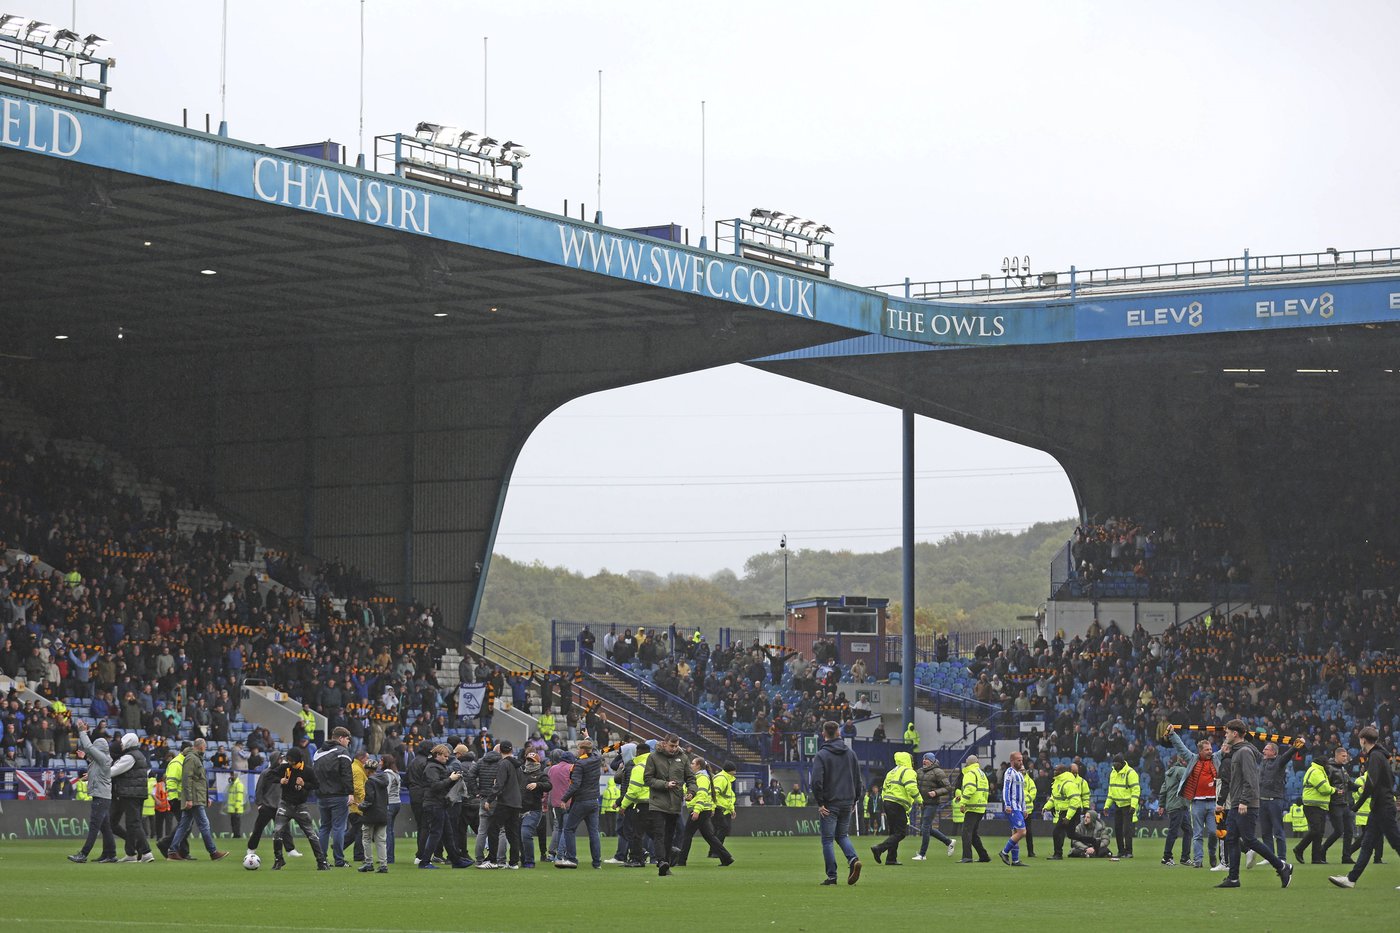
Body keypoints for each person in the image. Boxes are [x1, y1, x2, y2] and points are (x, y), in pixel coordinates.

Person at [1214, 719, 1292, 889]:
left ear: (1235, 734)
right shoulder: (1240, 751)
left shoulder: (1243, 752)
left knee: (1249, 840)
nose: (1225, 734)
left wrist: (1244, 800)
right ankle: (1233, 878)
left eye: (1227, 732)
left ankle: (1282, 866)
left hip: (1245, 803)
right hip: (1237, 802)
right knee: (1232, 838)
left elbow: (1250, 778)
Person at [1329, 725, 1400, 889]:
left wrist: (1356, 806)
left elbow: (1371, 783)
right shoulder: (1380, 755)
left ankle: (1351, 879)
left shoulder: (1375, 756)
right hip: (1380, 807)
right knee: (1367, 844)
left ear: (1363, 740)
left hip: (1383, 807)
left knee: (1396, 842)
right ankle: (1351, 879)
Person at [810, 719, 862, 886]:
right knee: (842, 835)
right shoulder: (850, 753)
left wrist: (820, 802)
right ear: (839, 733)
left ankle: (832, 876)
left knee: (827, 840)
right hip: (847, 801)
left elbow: (817, 781)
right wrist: (855, 799)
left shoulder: (821, 755)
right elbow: (858, 779)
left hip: (830, 803)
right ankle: (853, 859)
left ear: (824, 734)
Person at [167, 737, 230, 862]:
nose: (206, 749)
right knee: (204, 824)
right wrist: (189, 799)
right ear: (201, 746)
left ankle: (172, 851)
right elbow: (187, 779)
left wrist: (206, 798)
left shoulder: (194, 758)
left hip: (197, 797)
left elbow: (199, 781)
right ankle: (213, 852)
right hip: (194, 798)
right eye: (205, 746)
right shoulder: (192, 758)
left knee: (184, 825)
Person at [1169, 726, 1222, 868]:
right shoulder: (1192, 759)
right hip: (1197, 803)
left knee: (1213, 832)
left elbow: (1225, 747)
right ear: (1200, 751)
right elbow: (1181, 748)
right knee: (1197, 834)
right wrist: (1172, 734)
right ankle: (1198, 860)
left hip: (1213, 803)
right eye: (1207, 750)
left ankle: (1211, 853)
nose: (1210, 751)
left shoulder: (1216, 758)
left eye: (1210, 749)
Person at [270, 746, 329, 871]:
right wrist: (280, 780)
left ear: (297, 760)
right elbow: (269, 775)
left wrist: (304, 784)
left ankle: (322, 862)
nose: (289, 762)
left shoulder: (308, 771)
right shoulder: (285, 768)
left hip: (300, 806)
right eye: (288, 759)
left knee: (311, 834)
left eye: (291, 760)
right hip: (285, 804)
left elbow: (316, 785)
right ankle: (278, 860)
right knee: (277, 832)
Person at [643, 734, 694, 876]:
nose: (674, 748)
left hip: (675, 802)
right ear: (664, 743)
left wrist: (691, 791)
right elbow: (647, 779)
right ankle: (661, 861)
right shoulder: (653, 757)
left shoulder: (683, 758)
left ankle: (665, 864)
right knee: (659, 833)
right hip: (658, 801)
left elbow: (690, 778)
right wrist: (665, 784)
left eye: (676, 745)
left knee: (669, 835)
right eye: (672, 745)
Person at [68, 719, 116, 863]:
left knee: (95, 826)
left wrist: (82, 731)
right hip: (103, 796)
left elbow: (88, 747)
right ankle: (110, 854)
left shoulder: (103, 758)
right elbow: (95, 763)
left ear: (98, 748)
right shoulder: (102, 760)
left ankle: (83, 854)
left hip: (101, 797)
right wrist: (87, 758)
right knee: (105, 827)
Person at [676, 756, 734, 867]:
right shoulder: (701, 777)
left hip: (700, 810)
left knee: (687, 834)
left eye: (693, 763)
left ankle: (681, 860)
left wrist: (697, 810)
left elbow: (702, 795)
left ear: (698, 766)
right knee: (709, 836)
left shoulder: (701, 778)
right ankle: (726, 858)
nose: (691, 765)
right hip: (704, 810)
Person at [418, 744, 468, 869]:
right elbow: (435, 786)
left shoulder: (437, 766)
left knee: (448, 834)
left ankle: (456, 861)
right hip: (434, 804)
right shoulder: (431, 768)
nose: (447, 758)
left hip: (439, 803)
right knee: (436, 833)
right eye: (445, 756)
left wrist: (452, 777)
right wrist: (450, 779)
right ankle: (424, 862)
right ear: (438, 755)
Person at [312, 726, 355, 867]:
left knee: (324, 828)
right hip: (338, 795)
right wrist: (350, 792)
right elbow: (347, 774)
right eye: (348, 739)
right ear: (341, 738)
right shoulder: (342, 752)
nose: (348, 742)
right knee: (338, 828)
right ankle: (339, 860)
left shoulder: (318, 752)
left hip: (321, 796)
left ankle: (322, 859)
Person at [109, 734, 155, 862]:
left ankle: (146, 852)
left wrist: (96, 774)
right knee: (132, 824)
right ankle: (130, 853)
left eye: (124, 742)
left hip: (130, 793)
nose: (122, 745)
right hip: (136, 793)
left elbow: (113, 771)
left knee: (134, 823)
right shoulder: (139, 755)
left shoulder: (129, 757)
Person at [559, 738, 603, 870]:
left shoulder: (580, 764)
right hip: (594, 801)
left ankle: (571, 859)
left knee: (569, 829)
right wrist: (588, 738)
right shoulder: (597, 759)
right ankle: (597, 863)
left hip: (582, 801)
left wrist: (564, 799)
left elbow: (575, 785)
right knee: (594, 832)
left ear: (583, 750)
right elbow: (595, 750)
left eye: (579, 749)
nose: (577, 751)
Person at [245, 750, 298, 861]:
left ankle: (290, 850)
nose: (282, 761)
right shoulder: (266, 773)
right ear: (275, 760)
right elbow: (259, 789)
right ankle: (251, 848)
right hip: (267, 806)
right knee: (258, 829)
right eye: (280, 759)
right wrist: (259, 804)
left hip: (280, 806)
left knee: (285, 829)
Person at [481, 739, 524, 869]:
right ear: (511, 749)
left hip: (505, 802)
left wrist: (489, 799)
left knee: (493, 829)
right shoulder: (518, 765)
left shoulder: (503, 764)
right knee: (513, 833)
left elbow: (499, 784)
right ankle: (513, 862)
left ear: (500, 750)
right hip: (516, 802)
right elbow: (521, 783)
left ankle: (493, 861)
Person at [870, 751, 917, 865]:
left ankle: (891, 858)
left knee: (893, 832)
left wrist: (885, 801)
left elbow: (884, 788)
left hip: (888, 802)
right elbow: (911, 788)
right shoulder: (908, 771)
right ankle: (879, 848)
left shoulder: (891, 772)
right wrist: (920, 800)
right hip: (898, 803)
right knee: (901, 833)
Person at [1252, 740, 1295, 866]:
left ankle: (1281, 857)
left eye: (1266, 749)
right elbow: (1253, 750)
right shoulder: (1263, 760)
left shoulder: (1280, 761)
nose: (1263, 751)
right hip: (1262, 800)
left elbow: (1289, 753)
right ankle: (1269, 856)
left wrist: (1297, 745)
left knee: (1278, 831)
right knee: (1265, 831)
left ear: (1274, 752)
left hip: (1275, 800)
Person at [1295, 746, 1335, 865]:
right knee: (1316, 830)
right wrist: (1334, 790)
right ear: (1323, 764)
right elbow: (1324, 789)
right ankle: (1299, 848)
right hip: (1312, 805)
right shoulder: (1316, 772)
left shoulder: (1318, 771)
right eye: (1327, 764)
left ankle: (1316, 858)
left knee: (1319, 832)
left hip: (1319, 805)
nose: (1328, 766)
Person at [913, 752, 956, 860]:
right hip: (923, 803)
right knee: (926, 829)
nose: (924, 761)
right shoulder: (919, 771)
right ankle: (949, 842)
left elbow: (948, 787)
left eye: (926, 759)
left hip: (932, 803)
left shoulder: (938, 772)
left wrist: (936, 793)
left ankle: (922, 854)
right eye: (923, 759)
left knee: (925, 827)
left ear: (931, 761)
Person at [1320, 746, 1356, 864]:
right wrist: (1334, 791)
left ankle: (1346, 857)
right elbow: (1326, 786)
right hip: (1335, 804)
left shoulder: (1343, 769)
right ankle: (1323, 849)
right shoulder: (1329, 768)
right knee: (1339, 831)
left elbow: (1350, 785)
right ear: (1337, 756)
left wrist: (1362, 787)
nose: (1345, 758)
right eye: (1343, 756)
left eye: (1346, 756)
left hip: (1345, 803)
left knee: (1350, 831)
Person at [518, 750, 552, 868]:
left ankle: (530, 861)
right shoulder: (520, 772)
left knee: (525, 833)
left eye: (532, 761)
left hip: (533, 810)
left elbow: (549, 786)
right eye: (528, 760)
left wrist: (537, 785)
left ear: (537, 763)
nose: (529, 762)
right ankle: (523, 859)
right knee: (518, 836)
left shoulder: (541, 774)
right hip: (518, 809)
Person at [358, 756, 390, 873]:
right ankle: (383, 865)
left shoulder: (369, 782)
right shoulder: (384, 781)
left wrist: (361, 806)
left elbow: (369, 799)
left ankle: (369, 863)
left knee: (366, 838)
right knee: (381, 840)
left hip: (371, 815)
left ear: (367, 770)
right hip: (382, 813)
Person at [956, 755, 990, 863]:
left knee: (966, 832)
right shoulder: (982, 774)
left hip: (972, 806)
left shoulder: (970, 773)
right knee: (973, 833)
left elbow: (970, 788)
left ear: (968, 763)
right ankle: (984, 856)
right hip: (981, 806)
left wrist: (963, 803)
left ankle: (967, 857)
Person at [1105, 753, 1140, 859]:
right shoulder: (1113, 773)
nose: (1114, 765)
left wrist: (1133, 805)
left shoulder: (1130, 773)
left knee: (1127, 830)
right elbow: (1111, 791)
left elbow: (1136, 790)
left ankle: (1129, 851)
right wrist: (1107, 806)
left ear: (1121, 763)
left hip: (1128, 806)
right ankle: (1121, 851)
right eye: (1113, 763)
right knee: (1117, 829)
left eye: (1116, 763)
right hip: (1117, 805)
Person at [999, 750, 1028, 867]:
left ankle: (1015, 860)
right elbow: (1006, 789)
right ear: (1012, 761)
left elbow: (1022, 793)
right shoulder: (1009, 772)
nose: (1021, 762)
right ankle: (1004, 852)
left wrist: (1024, 808)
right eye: (1018, 760)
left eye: (1022, 760)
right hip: (1013, 807)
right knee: (1022, 832)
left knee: (1015, 833)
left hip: (1019, 807)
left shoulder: (1020, 774)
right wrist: (1008, 805)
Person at [1160, 753, 1189, 865]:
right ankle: (1167, 857)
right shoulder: (1182, 771)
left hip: (1172, 806)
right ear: (1182, 761)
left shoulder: (1169, 773)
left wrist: (1161, 805)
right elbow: (1190, 782)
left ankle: (1184, 858)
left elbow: (1163, 790)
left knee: (1186, 830)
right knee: (1176, 832)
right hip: (1179, 805)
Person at [707, 761, 737, 858]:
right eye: (734, 771)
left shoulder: (725, 778)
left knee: (718, 829)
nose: (735, 773)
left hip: (719, 807)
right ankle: (716, 852)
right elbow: (714, 793)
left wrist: (731, 809)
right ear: (730, 771)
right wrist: (712, 808)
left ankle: (713, 852)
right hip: (717, 807)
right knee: (723, 828)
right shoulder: (722, 779)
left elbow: (728, 797)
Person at [225, 772, 247, 839]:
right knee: (233, 822)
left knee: (236, 822)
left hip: (236, 808)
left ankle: (237, 835)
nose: (231, 776)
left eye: (232, 775)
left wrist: (237, 806)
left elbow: (239, 797)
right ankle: (235, 834)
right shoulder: (232, 785)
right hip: (232, 808)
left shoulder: (239, 785)